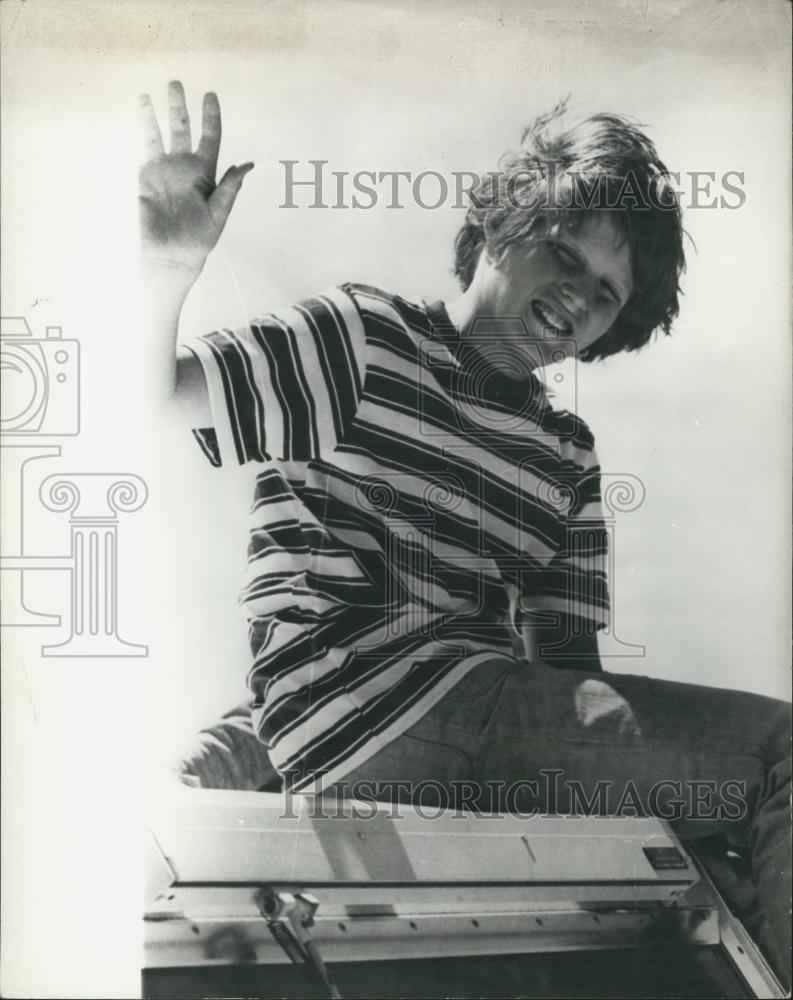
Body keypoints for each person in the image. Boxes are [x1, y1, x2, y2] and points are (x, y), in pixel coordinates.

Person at [139, 82, 791, 985]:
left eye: (606, 292)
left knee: (720, 838)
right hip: (382, 710)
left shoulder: (565, 455)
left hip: (412, 738)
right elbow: (146, 404)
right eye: (563, 251)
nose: (577, 296)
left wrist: (674, 804)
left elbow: (569, 677)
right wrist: (164, 268)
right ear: (494, 225)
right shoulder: (364, 342)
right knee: (780, 753)